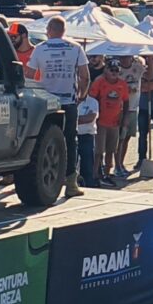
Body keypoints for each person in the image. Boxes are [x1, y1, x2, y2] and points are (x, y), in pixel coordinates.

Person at [26, 16, 90, 197]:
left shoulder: (39, 49)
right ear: (63, 30)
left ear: (50, 30)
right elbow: (84, 75)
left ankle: (46, 180)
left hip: (46, 104)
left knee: (44, 140)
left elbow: (29, 76)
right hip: (68, 102)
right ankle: (71, 184)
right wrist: (82, 95)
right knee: (70, 141)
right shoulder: (76, 48)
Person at [90, 58, 132, 183]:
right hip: (100, 121)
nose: (114, 73)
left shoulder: (122, 84)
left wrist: (124, 119)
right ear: (106, 70)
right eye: (111, 70)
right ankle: (94, 174)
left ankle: (107, 173)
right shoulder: (99, 82)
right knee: (98, 151)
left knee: (111, 150)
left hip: (114, 122)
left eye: (117, 70)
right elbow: (92, 99)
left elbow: (126, 102)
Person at [116, 54, 143, 178]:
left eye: (127, 57)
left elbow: (149, 70)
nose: (124, 59)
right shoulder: (116, 69)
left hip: (133, 107)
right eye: (122, 57)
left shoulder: (138, 67)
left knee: (127, 138)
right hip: (120, 109)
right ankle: (117, 165)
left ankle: (121, 163)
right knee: (119, 138)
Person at [75, 90, 99, 187]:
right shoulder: (71, 101)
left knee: (87, 163)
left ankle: (89, 184)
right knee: (73, 163)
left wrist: (75, 118)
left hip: (87, 135)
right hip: (74, 135)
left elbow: (90, 118)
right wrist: (82, 118)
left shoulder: (93, 102)